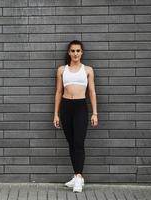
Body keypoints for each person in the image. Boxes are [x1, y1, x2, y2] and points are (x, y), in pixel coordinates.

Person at [53, 40, 98, 193]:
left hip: (80, 108)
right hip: (66, 108)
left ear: (82, 52)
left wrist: (95, 113)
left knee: (79, 142)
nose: (75, 54)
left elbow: (91, 92)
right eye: (72, 51)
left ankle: (79, 177)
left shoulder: (88, 70)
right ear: (69, 53)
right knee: (71, 143)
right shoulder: (61, 70)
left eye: (78, 51)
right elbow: (58, 92)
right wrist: (56, 115)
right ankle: (75, 176)